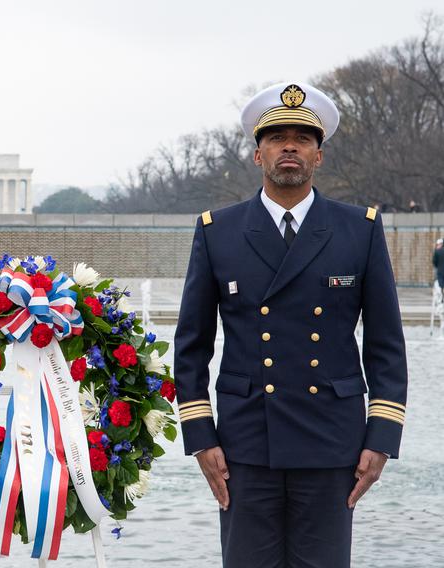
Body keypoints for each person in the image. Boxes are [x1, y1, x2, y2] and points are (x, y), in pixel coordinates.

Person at [174, 82, 408, 568]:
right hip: (244, 446)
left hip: (332, 444)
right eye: (277, 137)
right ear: (257, 153)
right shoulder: (219, 231)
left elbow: (385, 345)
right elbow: (192, 346)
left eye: (302, 138)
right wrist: (201, 437)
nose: (289, 147)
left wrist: (381, 438)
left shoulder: (359, 229)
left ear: (318, 156)